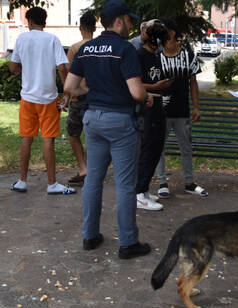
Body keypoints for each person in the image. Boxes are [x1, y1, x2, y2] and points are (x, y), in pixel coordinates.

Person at [63, 0, 153, 259]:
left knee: (93, 179)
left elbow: (70, 87)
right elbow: (136, 92)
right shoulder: (125, 49)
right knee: (125, 184)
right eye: (128, 20)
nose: (131, 25)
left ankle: (89, 237)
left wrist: (91, 92)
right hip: (121, 122)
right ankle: (128, 243)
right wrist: (147, 95)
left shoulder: (87, 48)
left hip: (92, 119)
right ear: (119, 21)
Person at [8, 7, 75, 195]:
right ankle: (52, 184)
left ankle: (22, 181)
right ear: (44, 21)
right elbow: (62, 67)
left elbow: (13, 67)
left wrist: (21, 68)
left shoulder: (22, 39)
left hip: (27, 98)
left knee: (26, 138)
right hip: (48, 98)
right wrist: (66, 93)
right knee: (48, 139)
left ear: (29, 20)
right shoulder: (52, 40)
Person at [154, 18, 207, 198]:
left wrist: (196, 107)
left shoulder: (188, 56)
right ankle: (162, 182)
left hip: (182, 111)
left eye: (167, 31)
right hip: (161, 111)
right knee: (159, 147)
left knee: (186, 147)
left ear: (175, 34)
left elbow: (193, 83)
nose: (164, 34)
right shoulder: (156, 57)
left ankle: (189, 182)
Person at [135, 20, 174, 211]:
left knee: (156, 148)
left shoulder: (155, 56)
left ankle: (144, 190)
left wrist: (163, 85)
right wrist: (155, 87)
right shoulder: (139, 55)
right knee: (148, 149)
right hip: (146, 108)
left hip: (158, 106)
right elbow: (133, 83)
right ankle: (138, 193)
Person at [64, 10, 96, 186]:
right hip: (96, 98)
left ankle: (83, 168)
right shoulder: (99, 46)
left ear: (80, 28)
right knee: (95, 135)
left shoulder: (75, 48)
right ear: (94, 28)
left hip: (78, 97)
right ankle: (95, 168)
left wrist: (67, 95)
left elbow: (69, 73)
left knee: (74, 133)